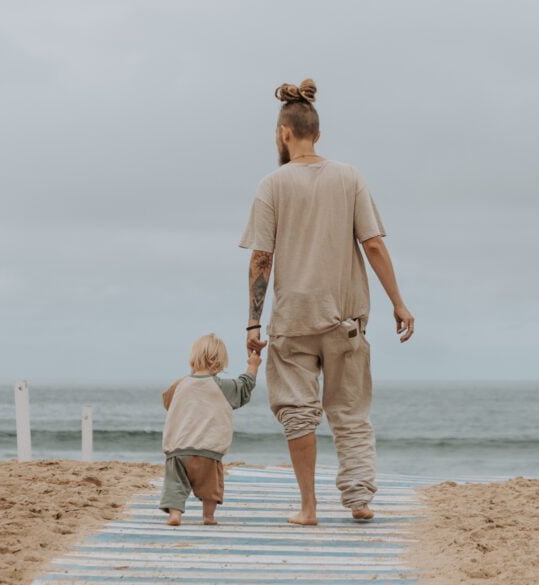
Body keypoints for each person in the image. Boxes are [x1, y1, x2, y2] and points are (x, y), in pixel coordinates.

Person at [239, 79, 415, 525]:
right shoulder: (349, 176)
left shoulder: (271, 184)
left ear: (284, 133)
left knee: (298, 415)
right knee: (350, 412)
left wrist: (253, 323)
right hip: (345, 318)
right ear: (317, 131)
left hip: (293, 319)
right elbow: (373, 245)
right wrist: (399, 302)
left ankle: (308, 508)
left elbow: (262, 258)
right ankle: (358, 500)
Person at [158, 333, 260, 526]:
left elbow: (167, 402)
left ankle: (175, 514)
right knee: (210, 486)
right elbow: (244, 387)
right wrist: (253, 365)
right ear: (220, 362)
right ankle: (208, 516)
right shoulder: (222, 386)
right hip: (208, 451)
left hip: (178, 449)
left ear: (193, 357)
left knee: (175, 485)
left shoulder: (179, 385)